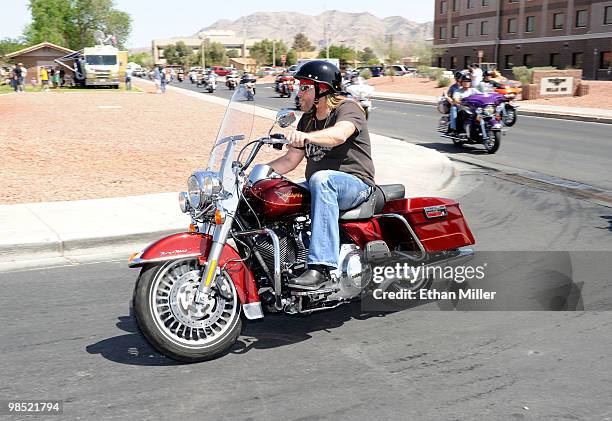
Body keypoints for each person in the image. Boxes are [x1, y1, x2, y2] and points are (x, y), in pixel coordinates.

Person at [267, 60, 375, 290]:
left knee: (321, 179)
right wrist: (254, 174)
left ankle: (322, 267)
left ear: (322, 90)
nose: (299, 92)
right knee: (274, 192)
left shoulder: (349, 108)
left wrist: (307, 137)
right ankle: (277, 261)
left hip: (356, 185)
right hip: (322, 185)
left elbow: (338, 135)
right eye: (299, 86)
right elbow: (289, 160)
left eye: (305, 87)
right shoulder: (307, 120)